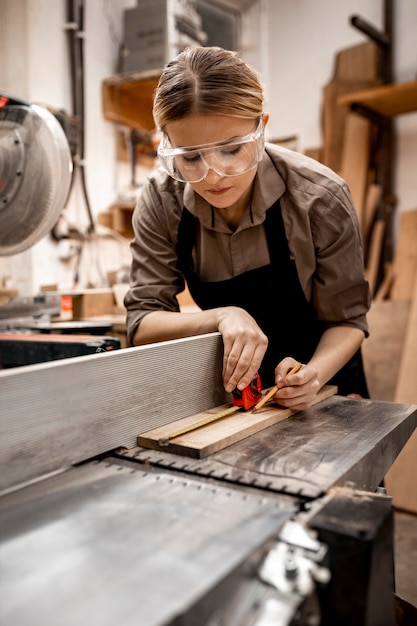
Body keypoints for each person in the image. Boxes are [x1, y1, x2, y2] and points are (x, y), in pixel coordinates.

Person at [124, 46, 371, 410]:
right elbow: (141, 322)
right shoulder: (163, 200)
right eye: (190, 157)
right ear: (167, 146)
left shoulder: (320, 197)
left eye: (231, 149)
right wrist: (223, 315)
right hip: (236, 398)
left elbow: (347, 320)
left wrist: (312, 376)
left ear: (261, 129)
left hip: (324, 384)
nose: (213, 174)